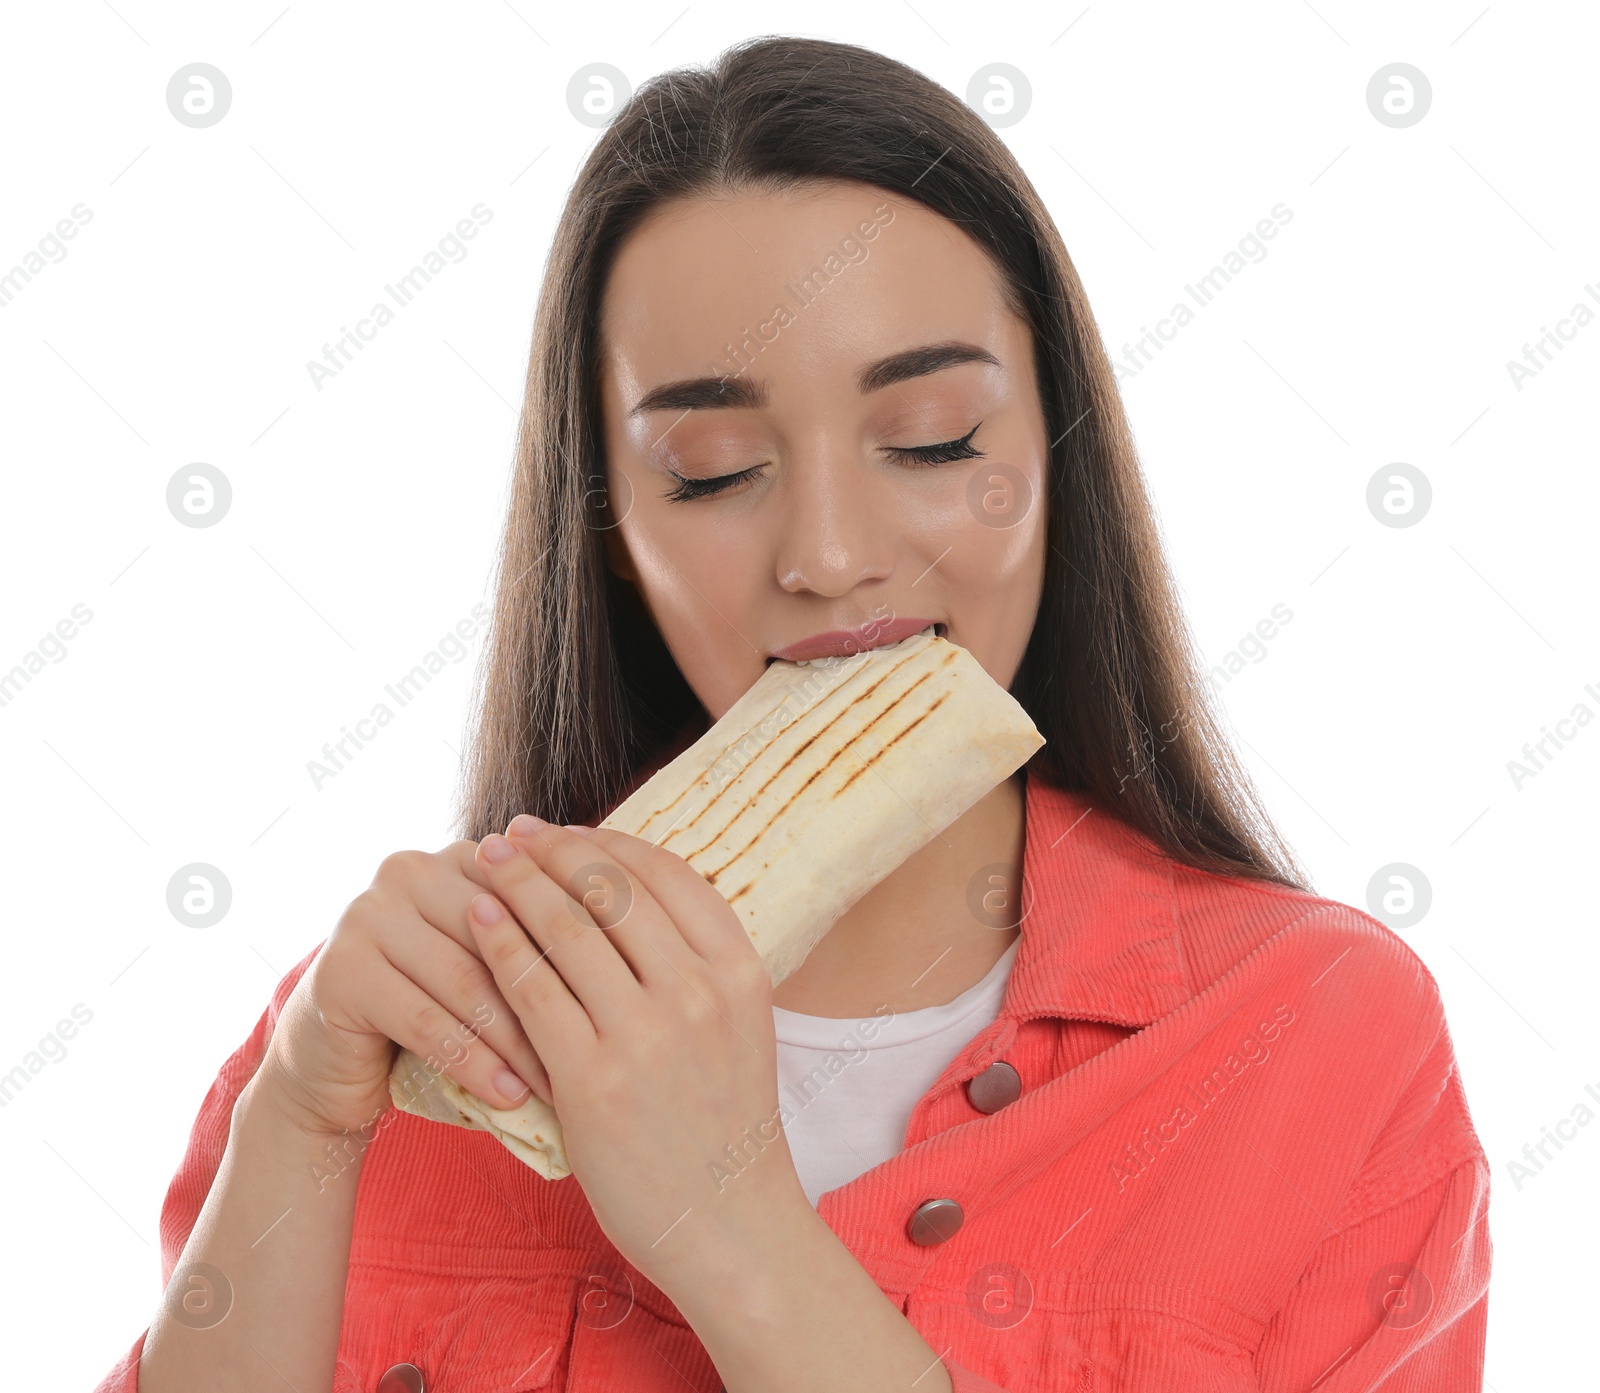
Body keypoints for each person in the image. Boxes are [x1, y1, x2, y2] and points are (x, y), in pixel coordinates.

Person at [98, 35, 1489, 1393]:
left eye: (935, 437)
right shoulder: (386, 1041)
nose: (828, 552)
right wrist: (293, 1121)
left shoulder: (1315, 1036)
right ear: (611, 531)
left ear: (1055, 453)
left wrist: (735, 1234)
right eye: (710, 470)